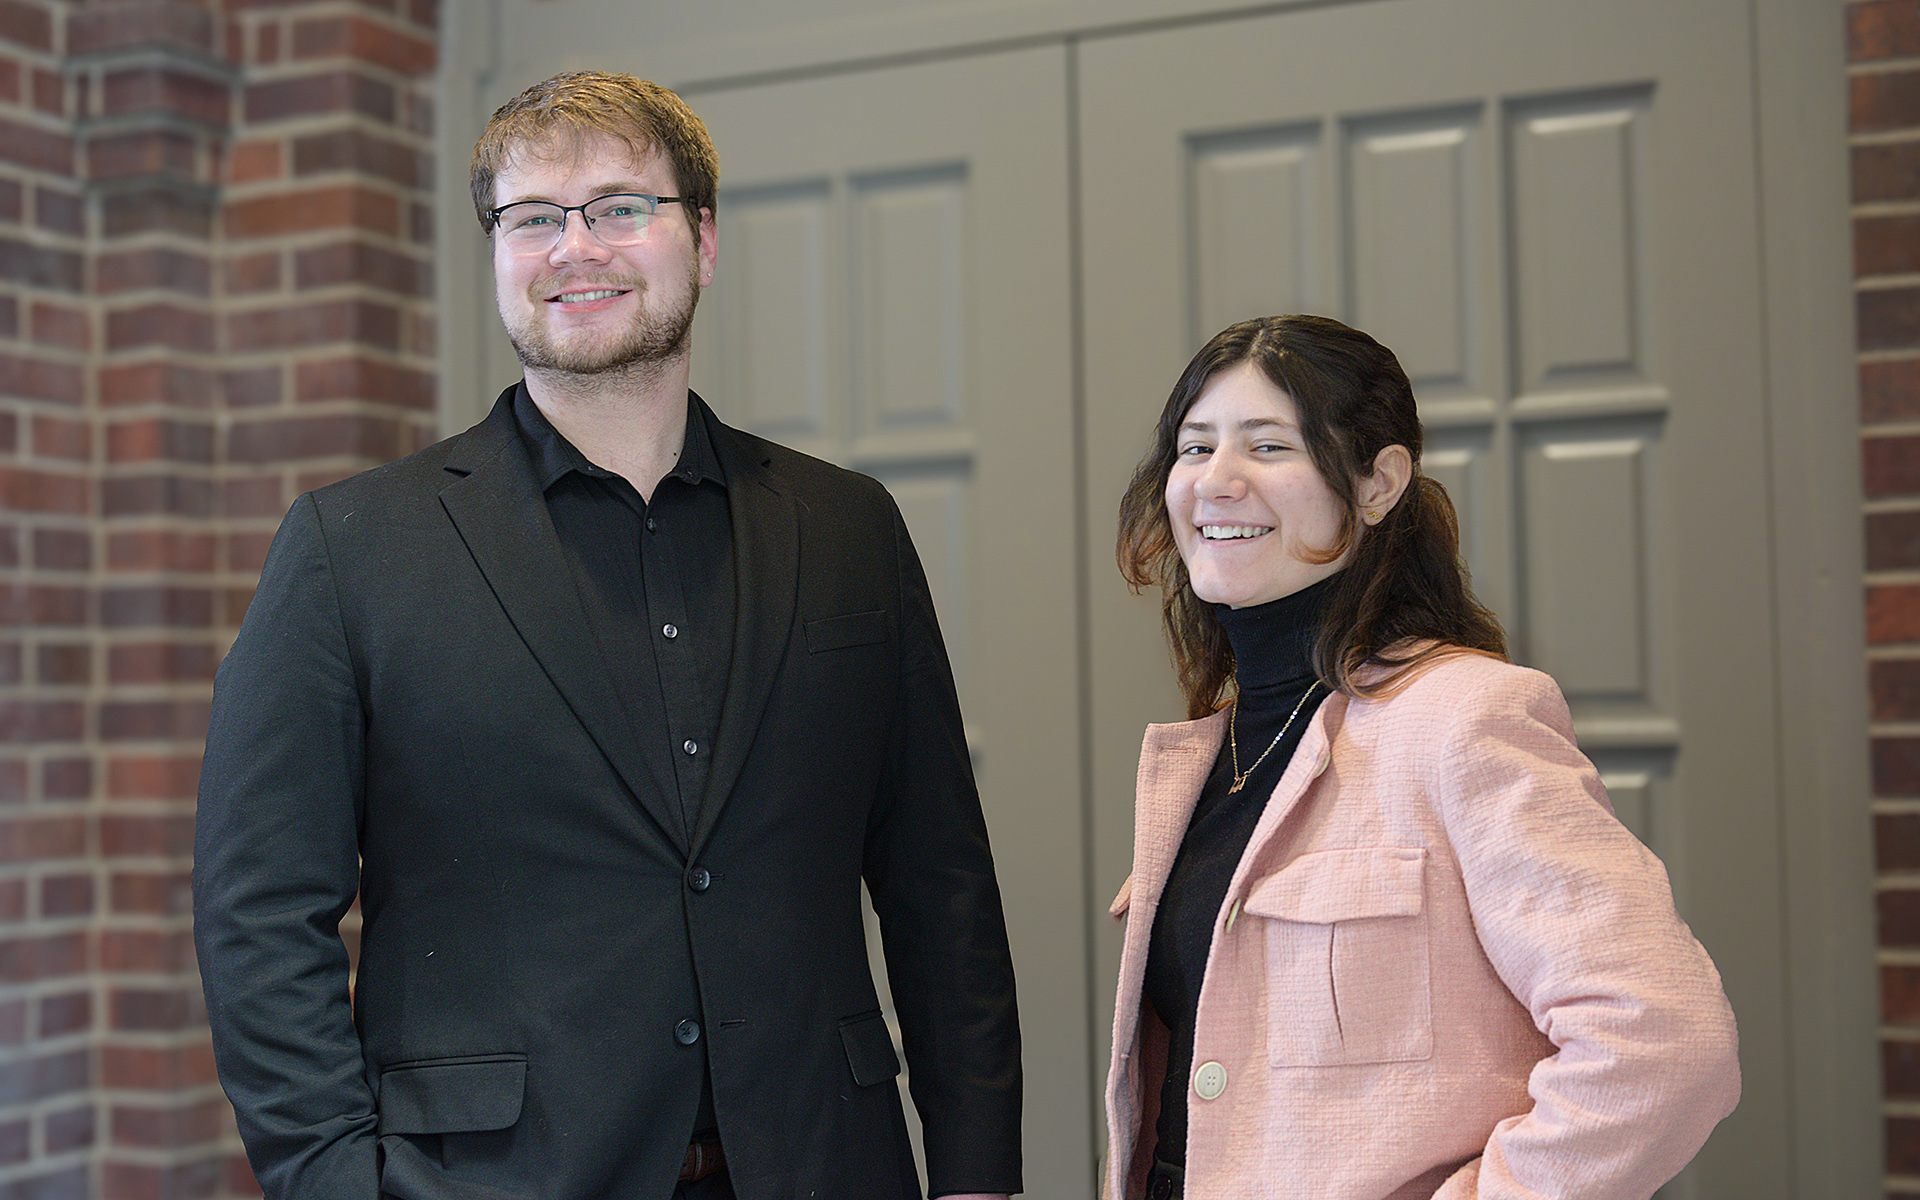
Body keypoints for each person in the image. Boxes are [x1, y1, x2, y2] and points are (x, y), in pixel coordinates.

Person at [193, 71, 1021, 1200]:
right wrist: (336, 1180)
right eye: (533, 218)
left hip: (823, 1162)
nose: (575, 247)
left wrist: (978, 1172)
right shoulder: (351, 546)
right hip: (489, 1177)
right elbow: (257, 910)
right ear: (497, 252)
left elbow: (941, 886)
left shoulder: (846, 530)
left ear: (706, 241)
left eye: (620, 207)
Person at [1102, 315, 1738, 1200]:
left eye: (1269, 446)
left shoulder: (1465, 717)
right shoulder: (1213, 751)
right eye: (1194, 446)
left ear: (1378, 482)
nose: (1217, 481)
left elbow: (1667, 1037)